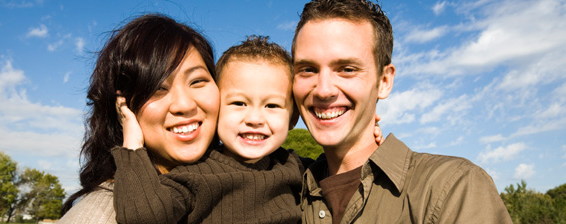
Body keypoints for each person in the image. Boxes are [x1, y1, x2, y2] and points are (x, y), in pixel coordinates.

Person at [291, 0, 513, 223]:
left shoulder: (453, 187)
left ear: (384, 81)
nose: (323, 90)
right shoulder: (286, 189)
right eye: (308, 70)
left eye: (347, 69)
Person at [112, 35, 305, 223]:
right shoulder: (193, 177)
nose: (255, 119)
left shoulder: (292, 164)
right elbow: (142, 216)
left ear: (293, 119)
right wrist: (132, 144)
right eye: (239, 103)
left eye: (272, 106)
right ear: (218, 108)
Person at [58, 14, 220, 223]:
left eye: (197, 81)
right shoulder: (98, 216)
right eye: (156, 89)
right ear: (121, 107)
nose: (184, 105)